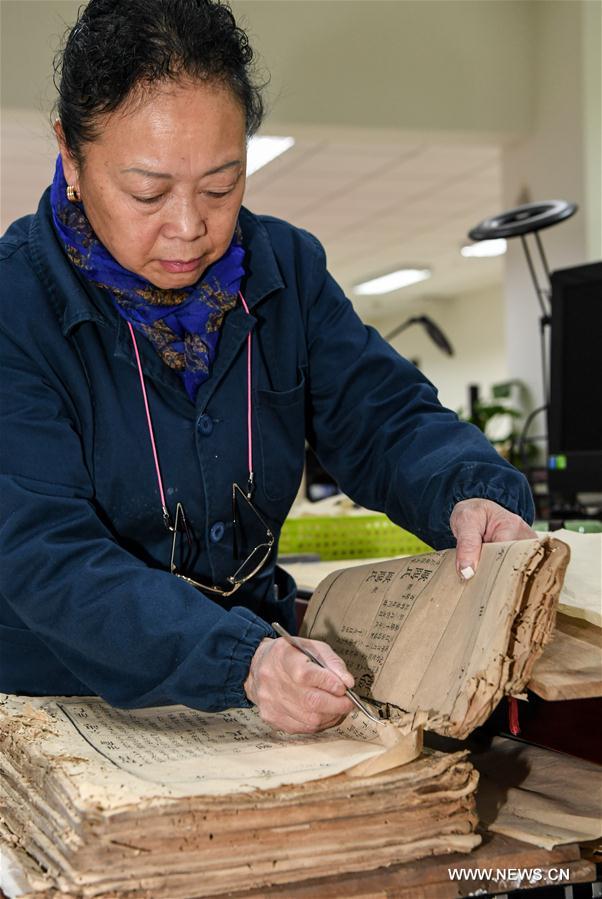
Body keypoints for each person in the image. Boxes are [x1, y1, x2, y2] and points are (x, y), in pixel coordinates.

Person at [0, 0, 535, 736]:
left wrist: (470, 493)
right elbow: (44, 552)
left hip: (265, 685)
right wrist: (237, 660)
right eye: (147, 192)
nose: (190, 227)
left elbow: (384, 417)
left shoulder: (286, 270)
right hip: (61, 701)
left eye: (221, 186)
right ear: (70, 154)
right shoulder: (15, 303)